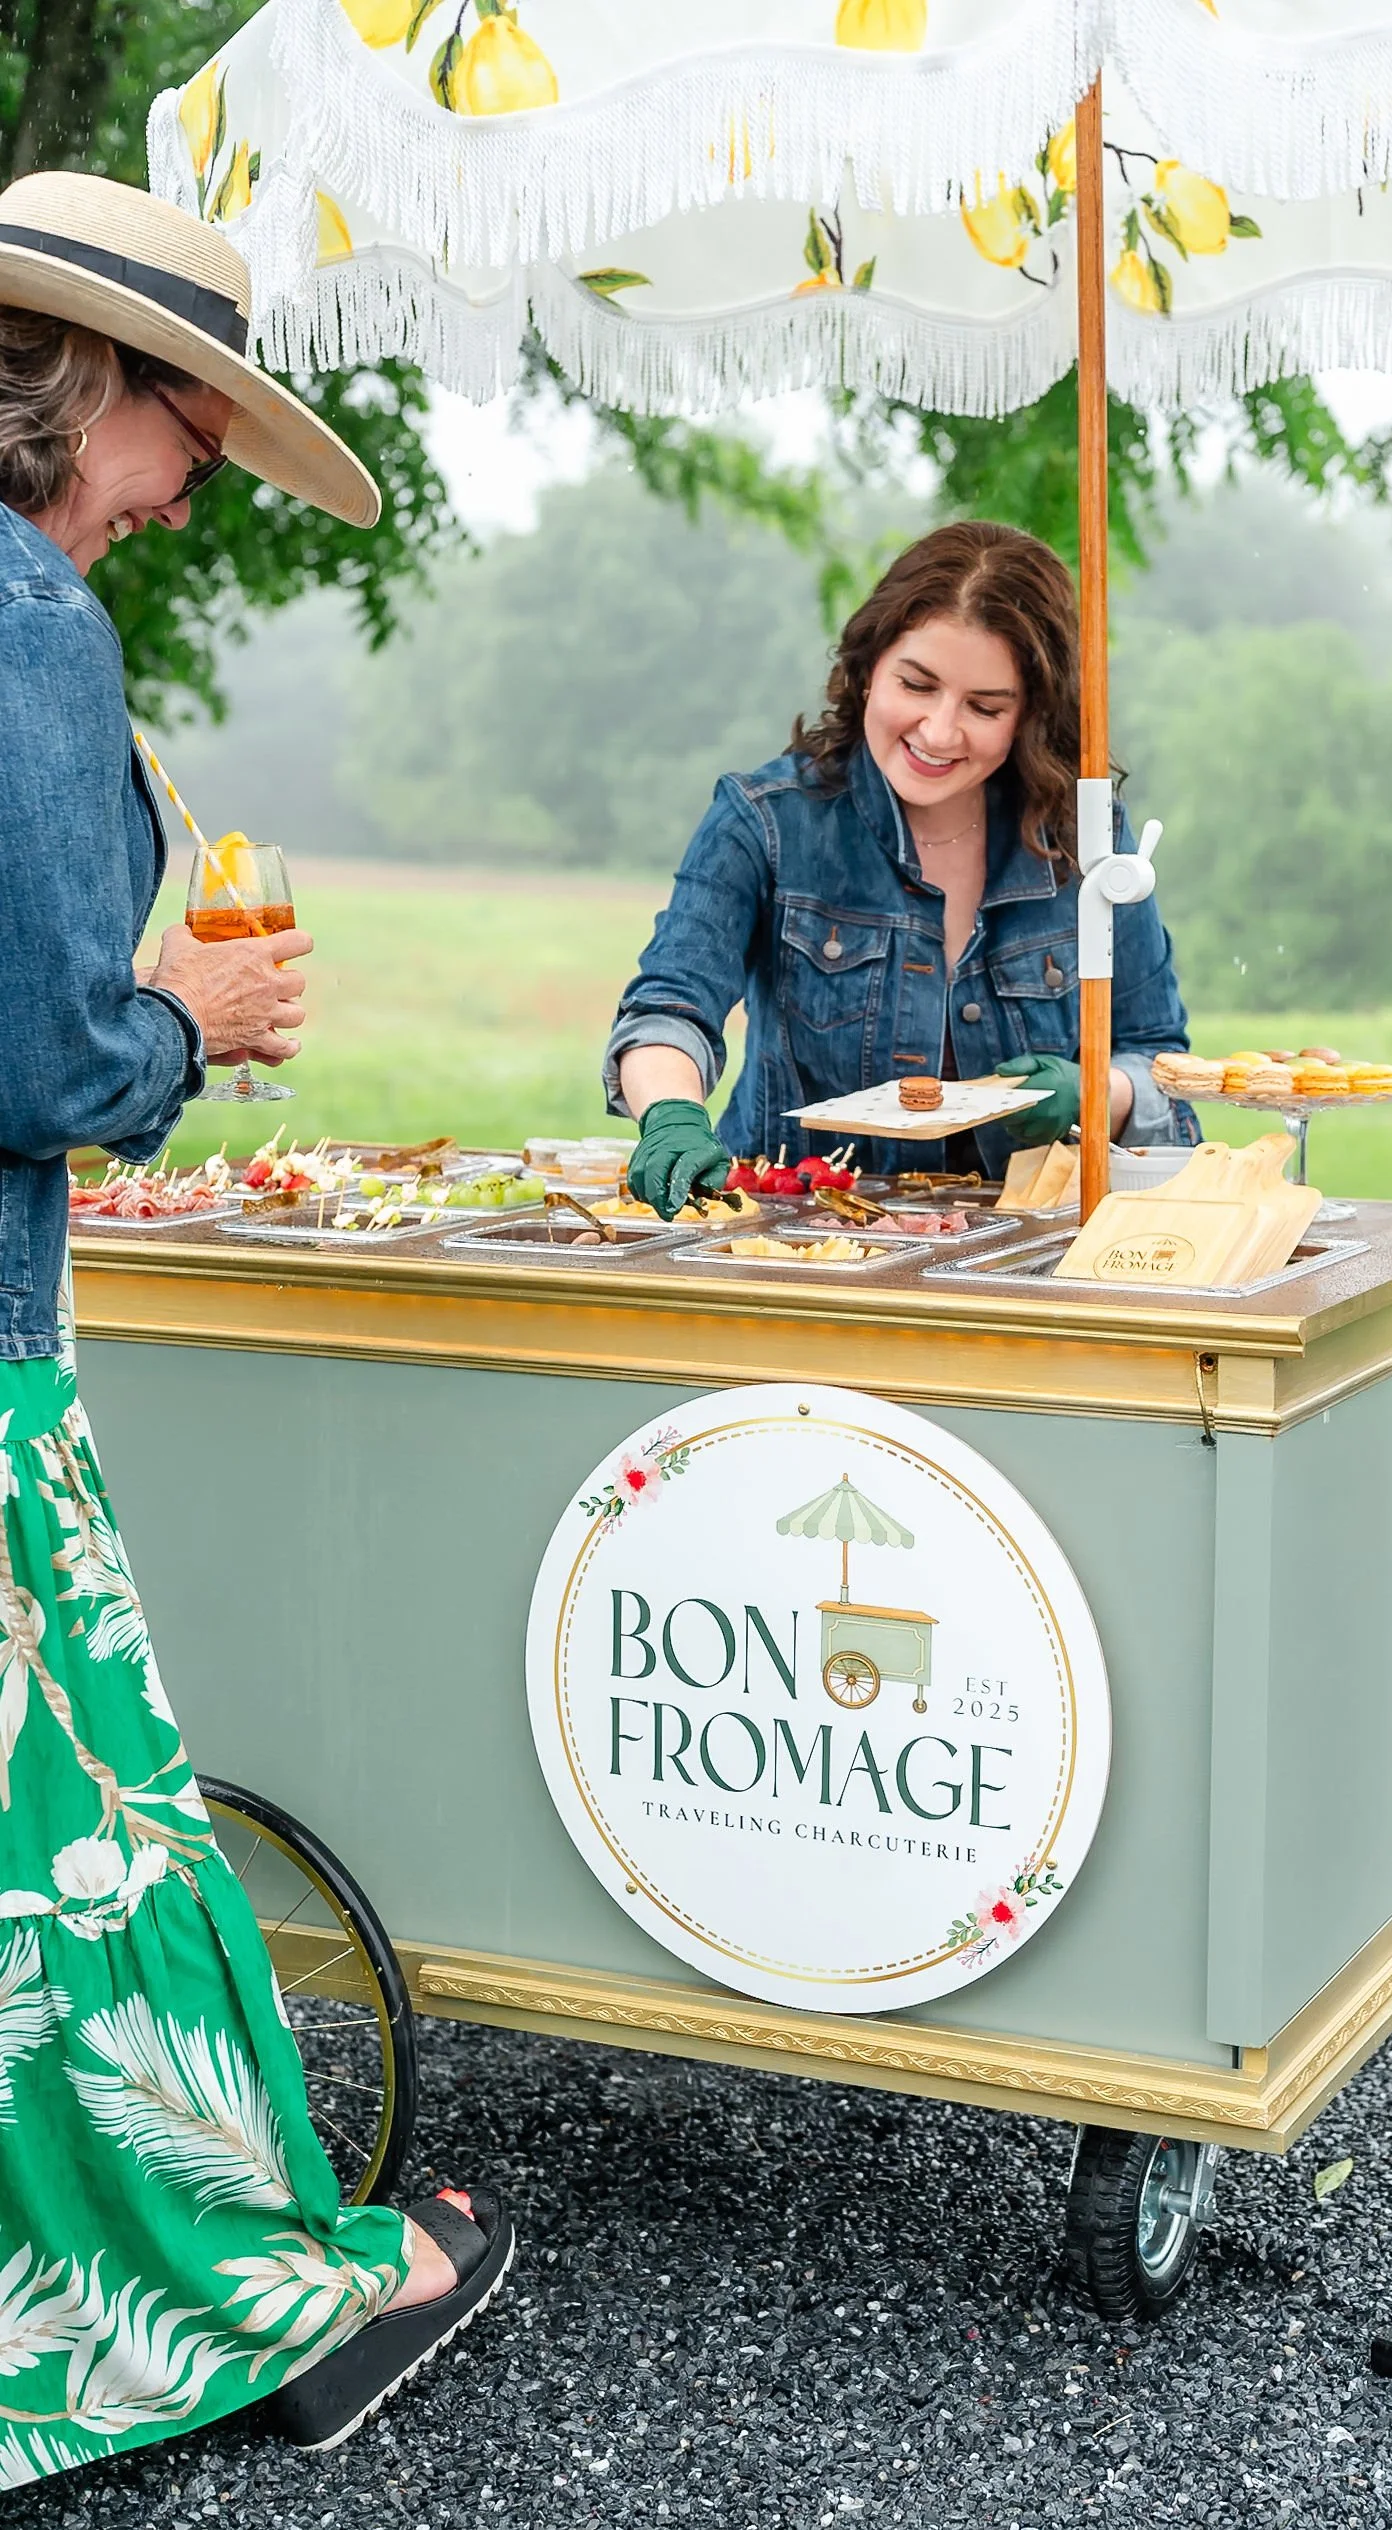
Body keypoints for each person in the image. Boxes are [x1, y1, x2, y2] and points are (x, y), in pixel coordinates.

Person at [0, 172, 511, 2485]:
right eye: (193, 426)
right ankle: (239, 2293)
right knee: (89, 1856)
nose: (200, 480)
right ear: (93, 388)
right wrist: (184, 1017)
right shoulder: (26, 614)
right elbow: (38, 1059)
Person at [606, 520, 1192, 1216]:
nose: (940, 732)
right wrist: (670, 1115)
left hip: (1024, 1253)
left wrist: (1097, 1093)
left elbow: (1160, 1064)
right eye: (916, 685)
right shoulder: (765, 819)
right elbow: (669, 1010)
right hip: (793, 1238)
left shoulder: (1085, 839)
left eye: (983, 707)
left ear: (1027, 716)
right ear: (867, 670)